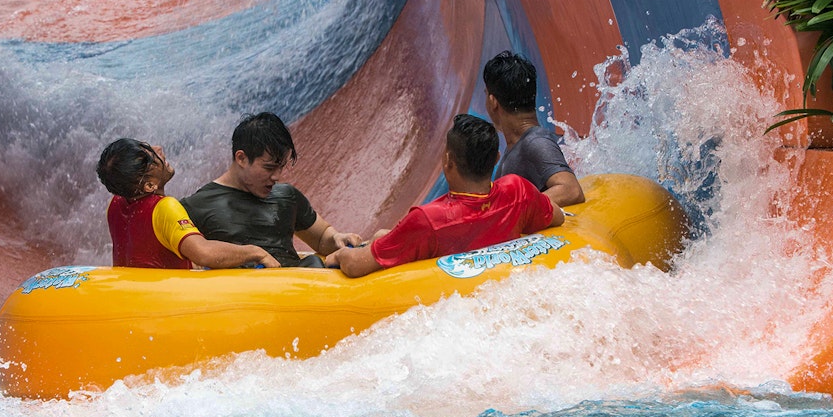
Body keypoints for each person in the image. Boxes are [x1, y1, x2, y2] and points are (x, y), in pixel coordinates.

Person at [326, 114, 564, 278]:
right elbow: (557, 218)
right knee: (381, 235)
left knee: (371, 242)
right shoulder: (518, 190)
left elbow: (357, 266)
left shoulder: (428, 220)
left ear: (448, 161)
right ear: (495, 158)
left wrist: (338, 255)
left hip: (444, 293)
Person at [180, 112, 361, 267]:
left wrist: (337, 239)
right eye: (269, 167)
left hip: (300, 291)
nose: (276, 176)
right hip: (245, 298)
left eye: (281, 167)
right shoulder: (198, 205)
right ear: (241, 158)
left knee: (315, 262)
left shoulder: (287, 196)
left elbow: (321, 239)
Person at [96, 138, 279, 269]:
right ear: (149, 185)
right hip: (169, 305)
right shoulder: (165, 207)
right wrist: (255, 252)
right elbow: (204, 253)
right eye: (152, 156)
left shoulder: (115, 204)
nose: (159, 149)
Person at [482, 51, 585, 207]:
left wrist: (512, 211)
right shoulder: (518, 146)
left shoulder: (535, 142)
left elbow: (571, 190)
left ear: (493, 101)